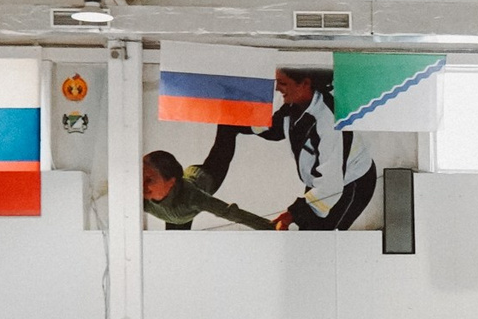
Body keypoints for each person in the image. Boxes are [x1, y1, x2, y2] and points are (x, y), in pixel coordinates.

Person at [257, 66, 376, 230]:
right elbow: (276, 128)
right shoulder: (292, 102)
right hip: (322, 177)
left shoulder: (328, 121)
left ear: (305, 84)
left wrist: (291, 215)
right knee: (309, 229)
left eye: (283, 83)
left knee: (322, 238)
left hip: (351, 181)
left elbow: (330, 186)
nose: (277, 88)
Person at [141, 125, 271, 230]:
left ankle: (251, 127)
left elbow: (230, 212)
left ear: (170, 182)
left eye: (149, 180)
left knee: (226, 132)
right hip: (179, 208)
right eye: (140, 176)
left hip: (207, 176)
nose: (141, 185)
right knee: (175, 240)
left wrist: (271, 227)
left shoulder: (193, 198)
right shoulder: (140, 196)